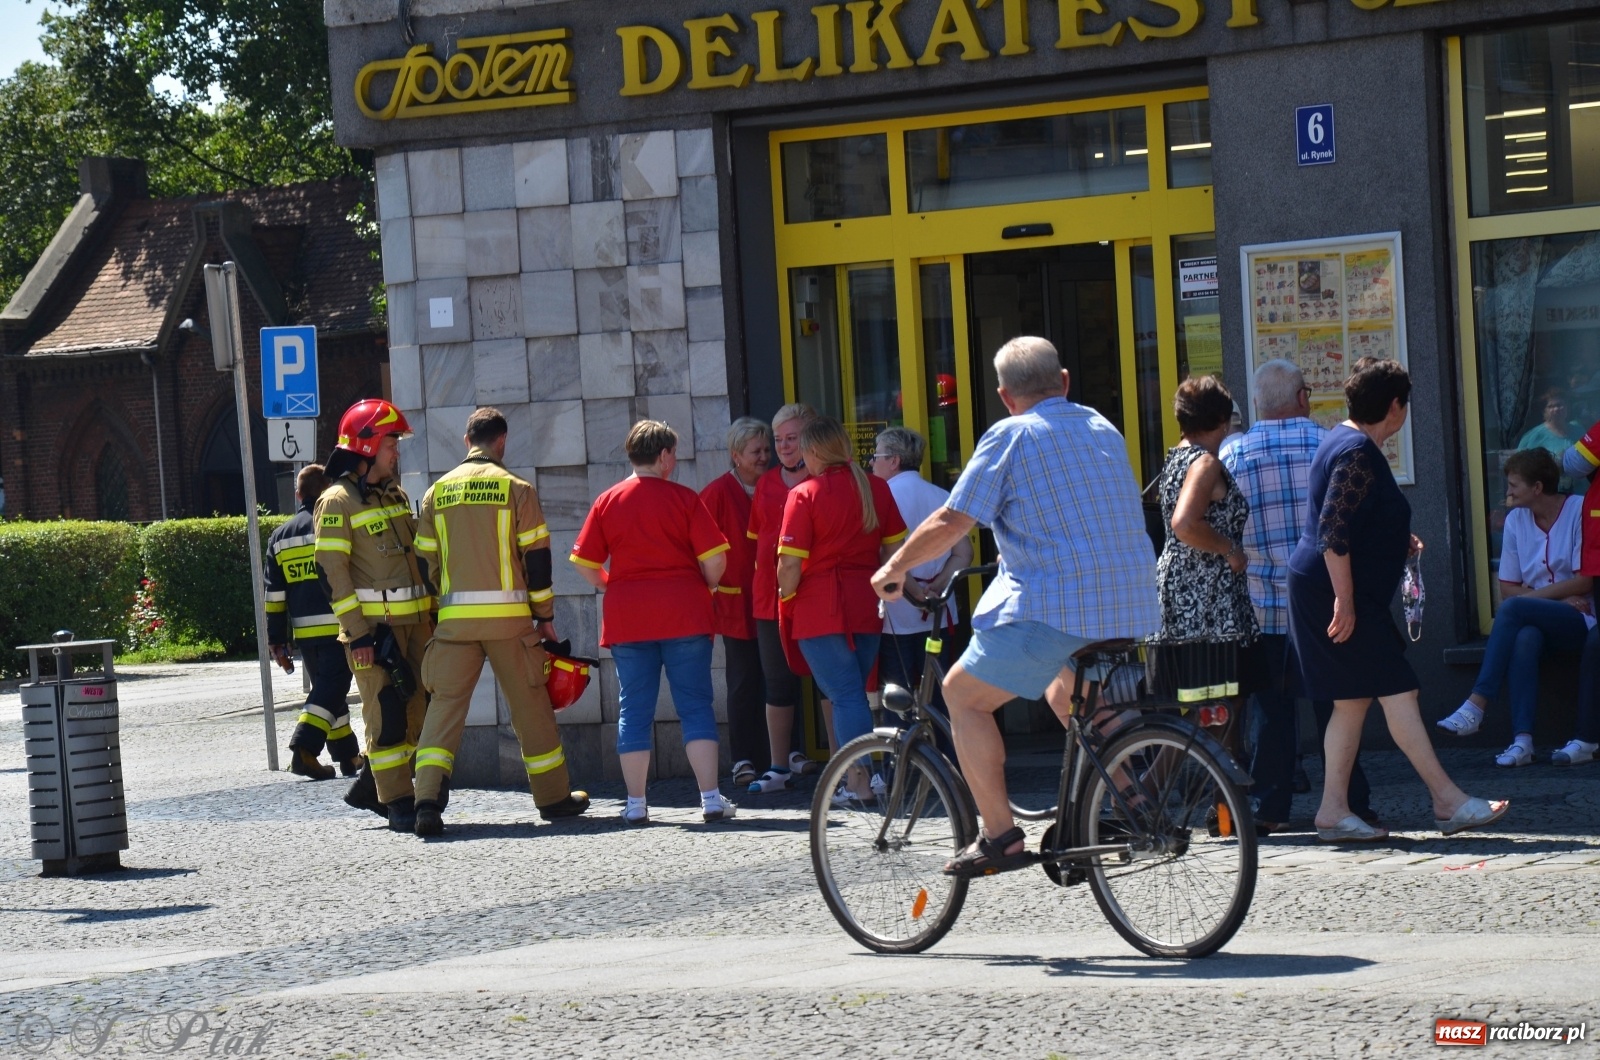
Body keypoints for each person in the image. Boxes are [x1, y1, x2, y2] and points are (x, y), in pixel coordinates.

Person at [872, 336, 1159, 876]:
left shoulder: (1011, 435)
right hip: (1130, 601)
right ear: (1065, 381)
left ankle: (1000, 836)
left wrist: (894, 570)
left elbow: (953, 520)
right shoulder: (1102, 426)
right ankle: (1132, 804)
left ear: (1004, 396)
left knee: (962, 695)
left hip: (1058, 604)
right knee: (1065, 688)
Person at [1287, 359, 1507, 841]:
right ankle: (1447, 801)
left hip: (1328, 587)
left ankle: (1332, 811)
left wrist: (1395, 537)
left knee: (1351, 701)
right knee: (1397, 690)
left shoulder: (1344, 440)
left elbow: (1350, 518)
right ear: (1395, 406)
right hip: (1339, 593)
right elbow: (1333, 531)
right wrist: (1344, 601)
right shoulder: (1357, 451)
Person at [408, 408, 590, 837]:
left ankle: (427, 802)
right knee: (531, 708)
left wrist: (440, 607)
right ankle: (553, 798)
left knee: (444, 711)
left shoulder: (437, 492)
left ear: (467, 439)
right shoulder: (517, 490)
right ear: (501, 442)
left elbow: (423, 560)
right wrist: (544, 618)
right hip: (510, 623)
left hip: (454, 625)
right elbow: (538, 563)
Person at [1223, 360, 1377, 835]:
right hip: (1326, 604)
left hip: (1262, 603)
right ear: (1304, 396)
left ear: (1256, 405)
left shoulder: (1233, 457)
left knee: (1272, 711)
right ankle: (1352, 801)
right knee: (1337, 706)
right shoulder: (1329, 445)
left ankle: (1271, 807)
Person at [571, 420, 736, 825]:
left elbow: (585, 563)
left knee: (634, 709)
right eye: (673, 455)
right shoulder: (684, 498)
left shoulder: (608, 500)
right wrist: (705, 587)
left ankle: (636, 803)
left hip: (629, 617)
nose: (674, 462)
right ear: (663, 456)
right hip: (685, 611)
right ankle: (711, 799)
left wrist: (616, 584)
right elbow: (715, 559)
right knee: (695, 704)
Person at [314, 399, 434, 832]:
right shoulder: (337, 502)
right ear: (366, 447)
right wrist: (359, 634)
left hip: (416, 627)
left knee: (418, 708)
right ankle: (397, 799)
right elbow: (333, 575)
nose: (396, 452)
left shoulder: (395, 494)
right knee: (386, 715)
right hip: (374, 634)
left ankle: (373, 785)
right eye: (390, 444)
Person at [777, 417, 907, 800]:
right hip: (865, 601)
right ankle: (861, 777)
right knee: (855, 693)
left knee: (846, 695)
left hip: (820, 606)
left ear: (813, 452)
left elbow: (788, 565)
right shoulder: (876, 488)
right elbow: (894, 549)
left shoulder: (804, 494)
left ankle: (858, 782)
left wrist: (786, 598)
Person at [1435, 448, 1592, 766]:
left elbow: (1584, 582)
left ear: (1537, 488)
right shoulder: (1516, 521)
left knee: (1513, 610)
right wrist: (1556, 597)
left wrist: (1532, 598)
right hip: (1550, 613)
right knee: (1524, 637)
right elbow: (1507, 587)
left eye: (1513, 485)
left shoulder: (1577, 510)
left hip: (1579, 620)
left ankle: (1477, 703)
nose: (1507, 492)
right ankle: (1523, 742)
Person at [1152, 376, 1259, 761]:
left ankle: (1212, 804)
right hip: (1206, 599)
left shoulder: (1175, 457)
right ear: (1224, 420)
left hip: (1186, 593)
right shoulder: (1205, 462)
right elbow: (1185, 523)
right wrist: (1230, 549)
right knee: (1219, 705)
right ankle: (1220, 809)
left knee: (1208, 704)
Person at [745, 403, 825, 794]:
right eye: (778, 440)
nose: (783, 447)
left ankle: (845, 763)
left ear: (810, 437)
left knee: (830, 682)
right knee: (777, 684)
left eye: (791, 438)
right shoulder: (766, 484)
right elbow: (755, 543)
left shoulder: (828, 480)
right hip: (769, 600)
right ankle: (779, 767)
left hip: (817, 597)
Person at [266, 463, 362, 781]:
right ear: (329, 489)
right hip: (338, 624)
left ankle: (348, 755)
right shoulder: (334, 522)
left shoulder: (280, 537)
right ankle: (303, 750)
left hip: (306, 632)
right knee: (331, 689)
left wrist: (276, 640)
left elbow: (275, 595)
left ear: (298, 494)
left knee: (328, 689)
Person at [871, 427, 973, 704]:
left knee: (898, 699)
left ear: (893, 461)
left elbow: (885, 557)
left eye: (875, 456)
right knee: (941, 699)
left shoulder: (881, 496)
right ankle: (944, 749)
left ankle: (904, 748)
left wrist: (916, 592)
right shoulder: (942, 496)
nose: (870, 463)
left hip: (897, 615)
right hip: (939, 612)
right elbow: (964, 554)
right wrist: (937, 588)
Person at [700, 417, 771, 789]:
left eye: (766, 450)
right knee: (743, 681)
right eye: (756, 451)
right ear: (736, 455)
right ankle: (743, 758)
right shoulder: (715, 494)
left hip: (773, 599)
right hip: (735, 603)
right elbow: (699, 549)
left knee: (777, 678)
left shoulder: (776, 487)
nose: (764, 457)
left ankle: (779, 757)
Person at [1517, 388, 1582, 461]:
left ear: (1567, 407)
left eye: (1559, 405)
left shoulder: (1578, 429)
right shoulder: (1533, 436)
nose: (1556, 409)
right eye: (1551, 406)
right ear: (1544, 411)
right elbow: (1521, 464)